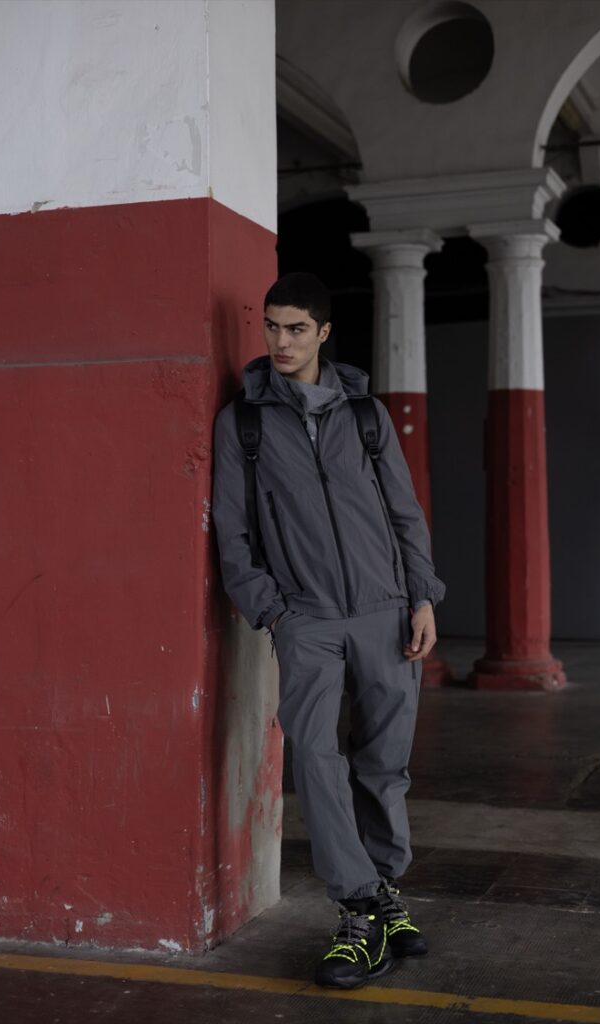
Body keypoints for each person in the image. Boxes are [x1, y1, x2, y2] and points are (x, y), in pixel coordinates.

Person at [212, 272, 445, 989]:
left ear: (323, 333)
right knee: (315, 758)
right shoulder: (244, 422)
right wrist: (274, 611)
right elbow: (233, 531)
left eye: (295, 329)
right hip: (305, 617)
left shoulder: (367, 415)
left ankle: (386, 890)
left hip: (385, 610)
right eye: (271, 327)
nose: (280, 342)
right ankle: (359, 910)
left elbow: (404, 512)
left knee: (384, 762)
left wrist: (422, 598)